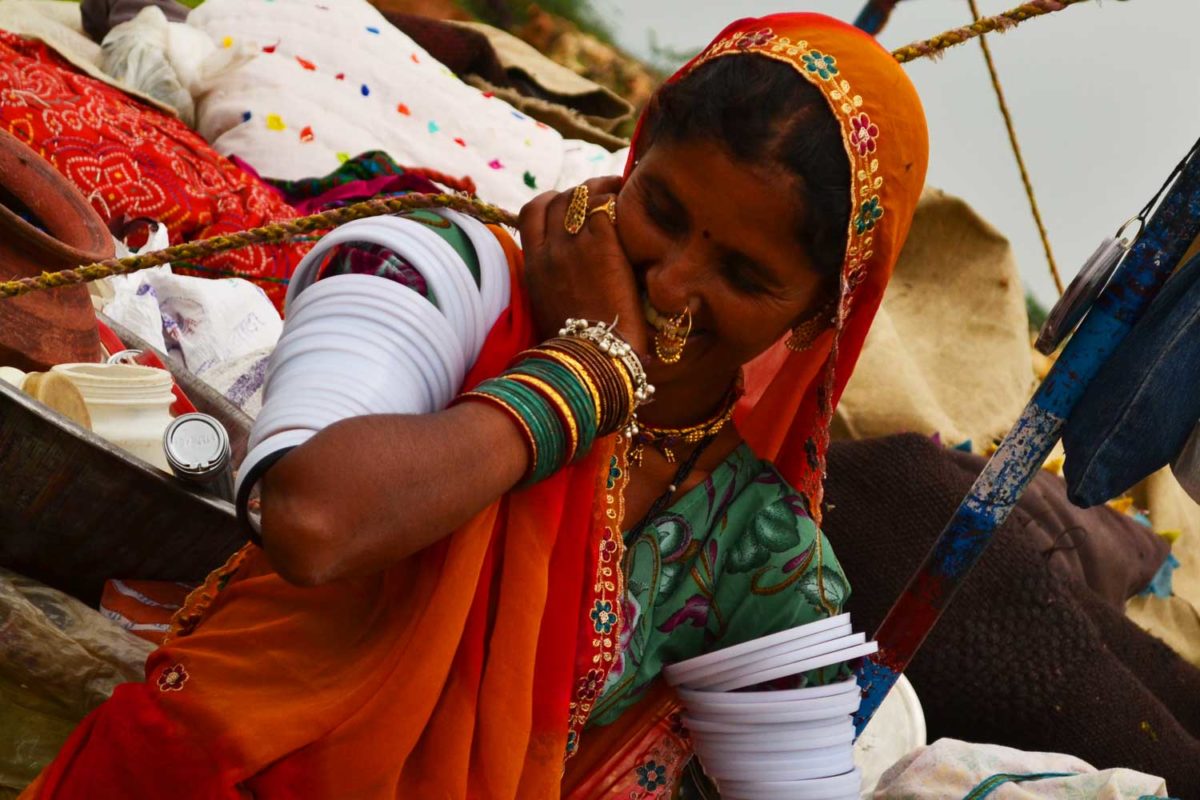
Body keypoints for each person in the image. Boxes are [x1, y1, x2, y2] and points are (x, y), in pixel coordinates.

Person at [21, 13, 928, 798]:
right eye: (663, 208)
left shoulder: (754, 543)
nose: (676, 279)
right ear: (634, 154)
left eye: (743, 275)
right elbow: (313, 518)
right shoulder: (441, 271)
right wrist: (583, 376)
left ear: (817, 317)